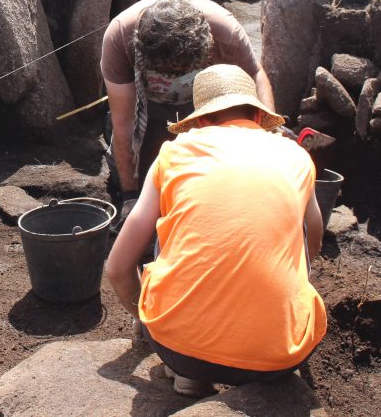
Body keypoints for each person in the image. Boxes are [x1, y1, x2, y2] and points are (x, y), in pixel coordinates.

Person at [105, 64, 326, 398]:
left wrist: (145, 315)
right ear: (256, 114)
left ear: (201, 120)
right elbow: (314, 234)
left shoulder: (174, 153)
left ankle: (189, 375)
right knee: (291, 242)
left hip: (178, 348)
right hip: (279, 357)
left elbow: (117, 268)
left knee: (171, 232)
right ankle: (255, 367)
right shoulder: (295, 156)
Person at [100, 0, 274, 221]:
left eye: (183, 69)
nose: (176, 75)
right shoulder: (119, 37)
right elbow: (123, 123)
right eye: (169, 72)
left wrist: (269, 137)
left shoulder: (225, 33)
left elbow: (255, 75)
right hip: (149, 109)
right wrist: (131, 196)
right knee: (149, 190)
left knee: (214, 182)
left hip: (209, 108)